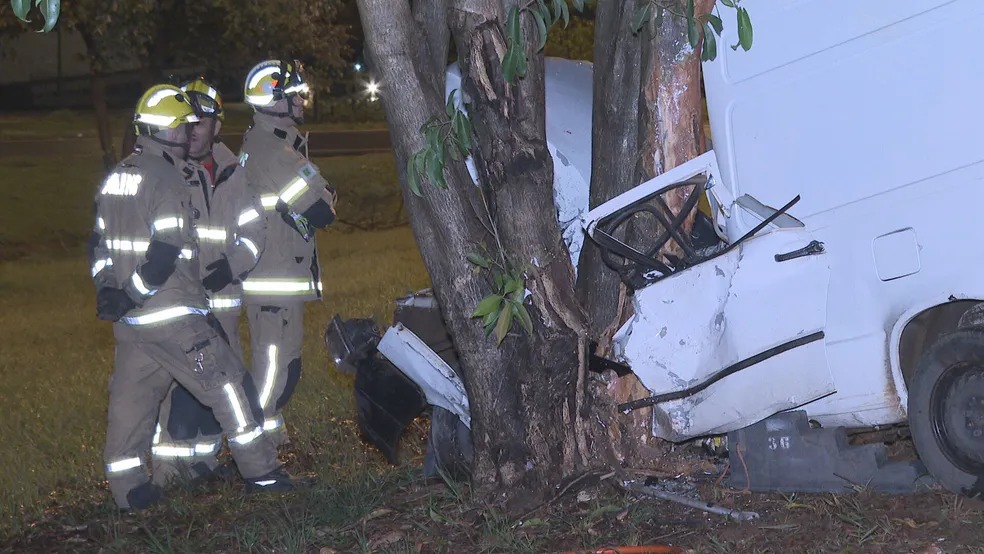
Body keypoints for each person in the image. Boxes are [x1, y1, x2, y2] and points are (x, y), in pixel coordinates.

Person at [87, 83, 293, 511]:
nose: (189, 132)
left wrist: (112, 293)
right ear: (166, 129)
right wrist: (135, 292)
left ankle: (129, 492)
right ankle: (262, 473)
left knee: (131, 404)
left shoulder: (116, 177)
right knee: (229, 386)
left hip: (134, 326)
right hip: (174, 315)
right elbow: (167, 250)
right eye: (183, 125)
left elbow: (99, 244)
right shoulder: (167, 179)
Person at [148, 78, 270, 486]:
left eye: (204, 121)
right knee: (174, 394)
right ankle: (168, 474)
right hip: (180, 307)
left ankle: (204, 464)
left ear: (218, 125)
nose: (195, 129)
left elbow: (254, 230)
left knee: (224, 388)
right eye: (189, 121)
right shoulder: (164, 171)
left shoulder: (235, 172)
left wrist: (233, 266)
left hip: (224, 305)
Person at [238, 59, 338, 445]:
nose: (302, 100)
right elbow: (322, 210)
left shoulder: (273, 144)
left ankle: (268, 444)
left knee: (283, 366)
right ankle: (253, 448)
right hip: (272, 281)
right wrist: (325, 197)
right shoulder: (273, 152)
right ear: (273, 99)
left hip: (278, 277)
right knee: (276, 368)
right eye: (294, 94)